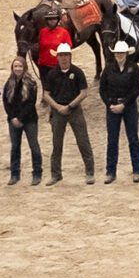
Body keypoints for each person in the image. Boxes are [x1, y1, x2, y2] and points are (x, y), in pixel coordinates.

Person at [42, 43, 95, 185]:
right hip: (58, 110)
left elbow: (84, 92)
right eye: (61, 55)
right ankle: (56, 174)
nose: (64, 58)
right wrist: (58, 107)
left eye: (66, 55)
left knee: (83, 141)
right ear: (57, 57)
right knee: (56, 143)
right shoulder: (52, 74)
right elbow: (46, 94)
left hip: (74, 109)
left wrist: (70, 105)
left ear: (70, 56)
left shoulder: (77, 72)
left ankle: (90, 172)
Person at [99, 40, 139, 185]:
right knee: (112, 140)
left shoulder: (134, 68)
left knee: (133, 138)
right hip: (112, 106)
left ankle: (137, 170)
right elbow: (102, 89)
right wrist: (109, 104)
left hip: (129, 106)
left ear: (126, 54)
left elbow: (136, 89)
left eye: (122, 53)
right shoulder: (108, 69)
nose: (119, 55)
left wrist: (124, 104)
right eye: (118, 53)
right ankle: (110, 172)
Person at [3, 57, 42, 185]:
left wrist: (20, 118)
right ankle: (15, 174)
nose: (18, 69)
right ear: (12, 68)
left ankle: (37, 173)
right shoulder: (9, 83)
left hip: (29, 119)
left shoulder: (31, 83)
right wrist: (12, 117)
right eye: (15, 66)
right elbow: (6, 102)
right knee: (15, 147)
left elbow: (31, 103)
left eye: (20, 66)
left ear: (24, 67)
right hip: (13, 120)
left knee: (34, 146)